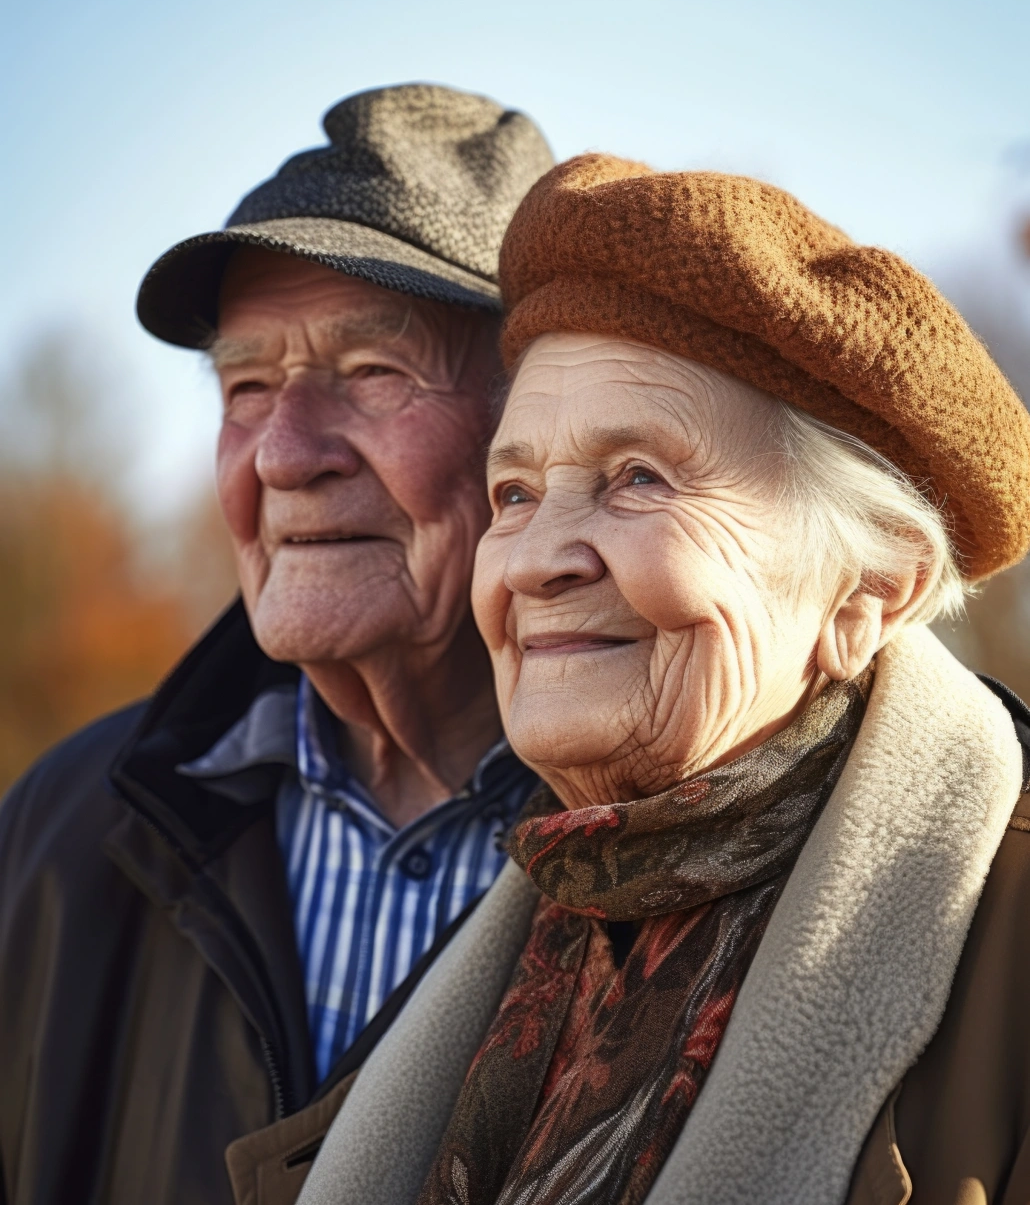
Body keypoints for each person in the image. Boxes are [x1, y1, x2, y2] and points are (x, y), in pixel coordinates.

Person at [299, 155, 1030, 1205]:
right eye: (513, 492)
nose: (539, 558)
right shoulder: (502, 947)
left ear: (866, 590)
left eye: (638, 478)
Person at [0, 83, 553, 1205]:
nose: (284, 455)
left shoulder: (679, 845)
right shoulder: (60, 829)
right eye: (245, 387)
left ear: (535, 432)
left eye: (372, 374)